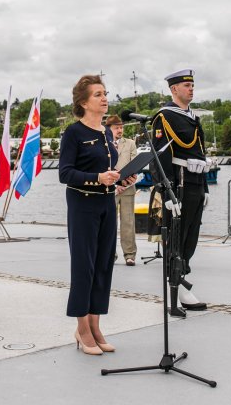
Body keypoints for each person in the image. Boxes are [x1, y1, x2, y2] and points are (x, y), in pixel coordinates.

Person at [58, 75, 133, 355]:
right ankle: (82, 328)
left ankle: (95, 324)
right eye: (98, 94)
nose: (105, 98)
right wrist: (97, 177)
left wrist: (120, 179)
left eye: (105, 93)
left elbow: (108, 175)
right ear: (83, 102)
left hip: (106, 204)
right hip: (82, 205)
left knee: (103, 266)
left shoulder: (105, 134)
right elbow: (65, 173)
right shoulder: (74, 133)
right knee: (84, 267)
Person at [151, 69, 209, 316]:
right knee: (176, 237)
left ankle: (182, 277)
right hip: (179, 184)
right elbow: (160, 157)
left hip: (195, 183)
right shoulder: (164, 117)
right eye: (186, 85)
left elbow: (200, 153)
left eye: (192, 85)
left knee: (191, 236)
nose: (191, 89)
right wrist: (167, 192)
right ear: (174, 89)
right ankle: (176, 284)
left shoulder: (192, 117)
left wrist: (205, 186)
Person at [105, 115, 138, 265]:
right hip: (109, 189)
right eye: (116, 127)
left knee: (128, 222)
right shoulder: (104, 144)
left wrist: (125, 182)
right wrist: (114, 184)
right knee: (109, 223)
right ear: (109, 128)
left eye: (121, 127)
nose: (120, 130)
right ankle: (110, 254)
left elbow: (135, 165)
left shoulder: (130, 143)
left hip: (127, 189)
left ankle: (130, 255)